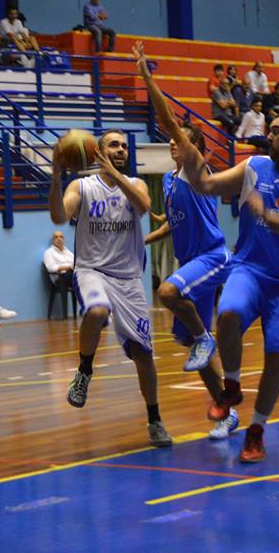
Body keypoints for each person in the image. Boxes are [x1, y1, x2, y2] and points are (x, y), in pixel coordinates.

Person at [167, 104, 279, 462]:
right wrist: (185, 146)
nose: (268, 136)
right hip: (250, 268)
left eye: (276, 131)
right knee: (228, 314)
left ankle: (256, 430)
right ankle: (232, 388)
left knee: (277, 356)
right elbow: (206, 184)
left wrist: (266, 214)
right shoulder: (254, 167)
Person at [137, 43, 240, 440]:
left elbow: (167, 119)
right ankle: (227, 413)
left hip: (212, 257)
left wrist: (147, 77)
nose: (172, 144)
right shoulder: (167, 180)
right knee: (196, 359)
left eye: (179, 140)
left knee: (165, 292)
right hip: (191, 262)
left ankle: (204, 335)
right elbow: (174, 225)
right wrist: (143, 239)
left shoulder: (198, 169)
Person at [49, 128, 172, 448]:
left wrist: (115, 173)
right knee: (97, 309)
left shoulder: (136, 184)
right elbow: (59, 216)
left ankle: (154, 419)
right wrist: (56, 175)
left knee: (144, 355)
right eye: (112, 145)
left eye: (122, 146)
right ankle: (84, 371)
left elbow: (143, 206)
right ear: (96, 151)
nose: (120, 150)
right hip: (92, 270)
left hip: (129, 278)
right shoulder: (82, 186)